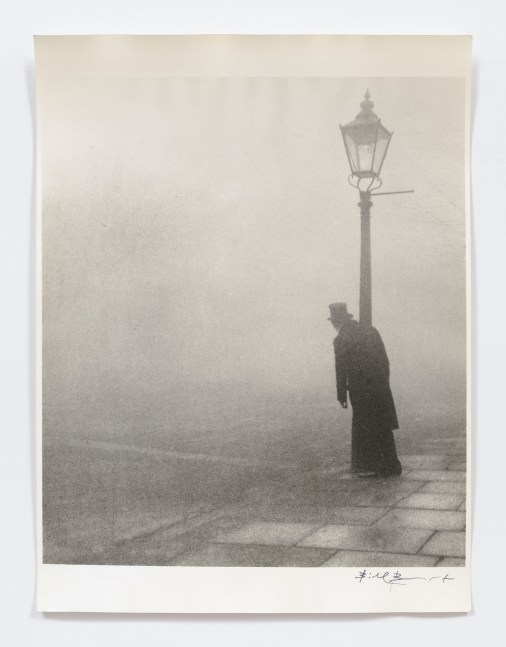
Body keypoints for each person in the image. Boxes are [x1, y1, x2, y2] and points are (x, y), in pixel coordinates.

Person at [329, 302, 402, 478]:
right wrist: (383, 381)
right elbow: (384, 360)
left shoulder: (340, 340)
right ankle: (392, 464)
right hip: (378, 386)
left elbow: (341, 370)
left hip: (360, 391)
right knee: (383, 426)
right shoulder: (371, 331)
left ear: (336, 322)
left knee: (367, 426)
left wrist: (342, 395)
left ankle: (376, 465)